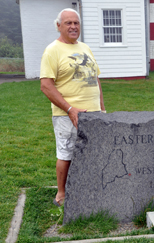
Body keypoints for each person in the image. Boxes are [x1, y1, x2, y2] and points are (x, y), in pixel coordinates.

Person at [40, 8, 106, 207]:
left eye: (76, 23)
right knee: (66, 153)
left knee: (93, 152)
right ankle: (62, 194)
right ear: (58, 26)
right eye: (68, 23)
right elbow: (46, 85)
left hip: (94, 113)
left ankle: (90, 189)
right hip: (67, 115)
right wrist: (70, 109)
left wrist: (102, 108)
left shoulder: (85, 48)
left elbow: (95, 80)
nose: (73, 26)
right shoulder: (52, 50)